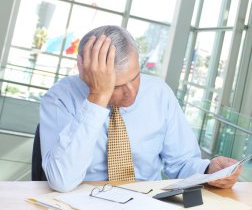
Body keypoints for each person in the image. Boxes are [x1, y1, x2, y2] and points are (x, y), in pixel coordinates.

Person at [40, 25, 241, 192]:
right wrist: (98, 96)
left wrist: (209, 170)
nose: (131, 92)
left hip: (147, 206)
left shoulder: (159, 93)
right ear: (85, 70)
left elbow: (181, 163)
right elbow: (61, 180)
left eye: (135, 77)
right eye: (116, 85)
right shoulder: (60, 98)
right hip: (82, 206)